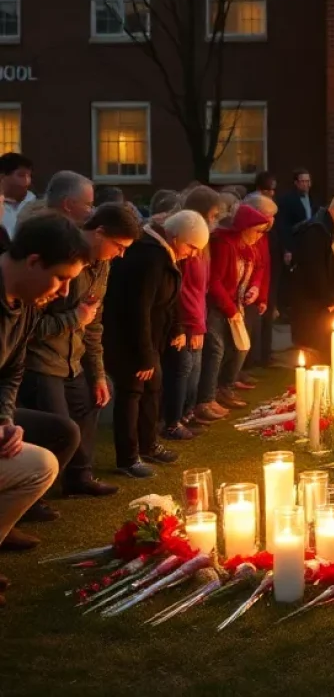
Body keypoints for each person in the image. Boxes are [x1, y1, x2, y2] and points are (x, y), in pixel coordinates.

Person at [18, 202, 142, 502]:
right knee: (57, 426)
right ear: (99, 233)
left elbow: (94, 323)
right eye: (119, 245)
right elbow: (29, 326)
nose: (121, 253)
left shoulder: (103, 266)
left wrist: (97, 373)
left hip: (73, 358)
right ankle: (34, 495)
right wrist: (75, 318)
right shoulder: (60, 258)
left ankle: (79, 476)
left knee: (92, 398)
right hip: (43, 359)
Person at [0, 215, 92, 593]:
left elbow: (10, 374)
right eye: (61, 278)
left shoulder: (26, 307)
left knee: (51, 448)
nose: (65, 292)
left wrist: (5, 420)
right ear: (34, 262)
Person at [104, 210, 210, 478]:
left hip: (150, 339)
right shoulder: (150, 256)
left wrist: (176, 327)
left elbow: (168, 298)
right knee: (132, 392)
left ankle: (148, 444)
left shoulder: (163, 255)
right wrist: (144, 356)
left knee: (153, 388)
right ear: (175, 237)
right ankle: (128, 457)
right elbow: (139, 308)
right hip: (130, 340)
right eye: (192, 246)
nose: (194, 254)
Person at [198, 204, 273, 415]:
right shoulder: (225, 244)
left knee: (238, 346)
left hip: (233, 303)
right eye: (257, 230)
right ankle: (207, 398)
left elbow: (258, 266)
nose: (260, 236)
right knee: (217, 349)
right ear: (245, 227)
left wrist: (255, 288)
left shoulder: (247, 246)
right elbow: (215, 281)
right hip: (218, 305)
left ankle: (224, 389)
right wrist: (230, 308)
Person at [289, 190, 334, 358]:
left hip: (327, 301)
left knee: (330, 346)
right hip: (313, 302)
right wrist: (328, 298)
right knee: (317, 348)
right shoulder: (317, 230)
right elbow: (314, 269)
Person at [176, 187, 223, 429]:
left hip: (198, 315)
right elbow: (184, 289)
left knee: (195, 365)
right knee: (187, 367)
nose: (215, 221)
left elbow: (200, 288)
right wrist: (192, 324)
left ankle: (189, 412)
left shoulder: (203, 247)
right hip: (187, 318)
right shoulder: (189, 247)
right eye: (213, 215)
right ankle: (179, 416)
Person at [236, 192, 279, 385]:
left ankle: (243, 370)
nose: (271, 221)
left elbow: (263, 265)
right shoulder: (248, 234)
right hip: (240, 295)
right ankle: (235, 375)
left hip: (253, 292)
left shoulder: (262, 235)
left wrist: (262, 295)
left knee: (251, 332)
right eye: (268, 216)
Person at [278, 167, 317, 267]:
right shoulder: (287, 200)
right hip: (296, 243)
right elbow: (284, 226)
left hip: (311, 243)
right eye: (302, 181)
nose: (306, 184)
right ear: (296, 183)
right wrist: (287, 249)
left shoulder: (314, 198)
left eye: (307, 181)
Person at [0, 153, 34, 241]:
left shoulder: (36, 204)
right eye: (21, 175)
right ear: (2, 177)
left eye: (29, 176)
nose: (27, 181)